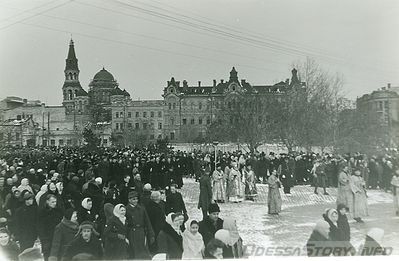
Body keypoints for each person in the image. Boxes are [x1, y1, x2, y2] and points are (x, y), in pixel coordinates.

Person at [126, 191, 154, 260]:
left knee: (144, 249)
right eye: (133, 199)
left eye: (136, 199)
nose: (136, 201)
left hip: (141, 232)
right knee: (134, 251)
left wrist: (151, 234)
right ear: (129, 200)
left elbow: (147, 222)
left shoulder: (141, 209)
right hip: (132, 232)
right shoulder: (126, 210)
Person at [37, 194, 64, 261]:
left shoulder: (58, 211)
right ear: (47, 201)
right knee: (47, 255)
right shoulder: (42, 212)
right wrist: (43, 237)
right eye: (52, 202)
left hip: (57, 237)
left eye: (55, 202)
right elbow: (39, 226)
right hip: (46, 237)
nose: (54, 204)